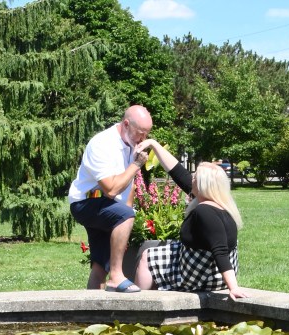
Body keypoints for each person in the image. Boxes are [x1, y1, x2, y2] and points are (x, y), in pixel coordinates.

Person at [133, 139, 245, 299]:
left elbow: (220, 250)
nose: (191, 178)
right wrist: (153, 144)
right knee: (169, 249)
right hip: (211, 273)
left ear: (201, 185)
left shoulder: (204, 211)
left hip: (200, 277)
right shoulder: (219, 204)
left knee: (148, 256)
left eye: (195, 177)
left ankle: (140, 304)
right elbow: (177, 172)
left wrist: (233, 288)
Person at [69, 105, 153, 292]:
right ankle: (116, 276)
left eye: (147, 134)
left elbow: (127, 185)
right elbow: (111, 189)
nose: (143, 139)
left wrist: (125, 229)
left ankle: (93, 315)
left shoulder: (131, 143)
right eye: (141, 133)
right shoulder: (102, 144)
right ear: (126, 124)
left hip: (106, 205)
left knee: (100, 266)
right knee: (124, 215)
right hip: (84, 202)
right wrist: (137, 164)